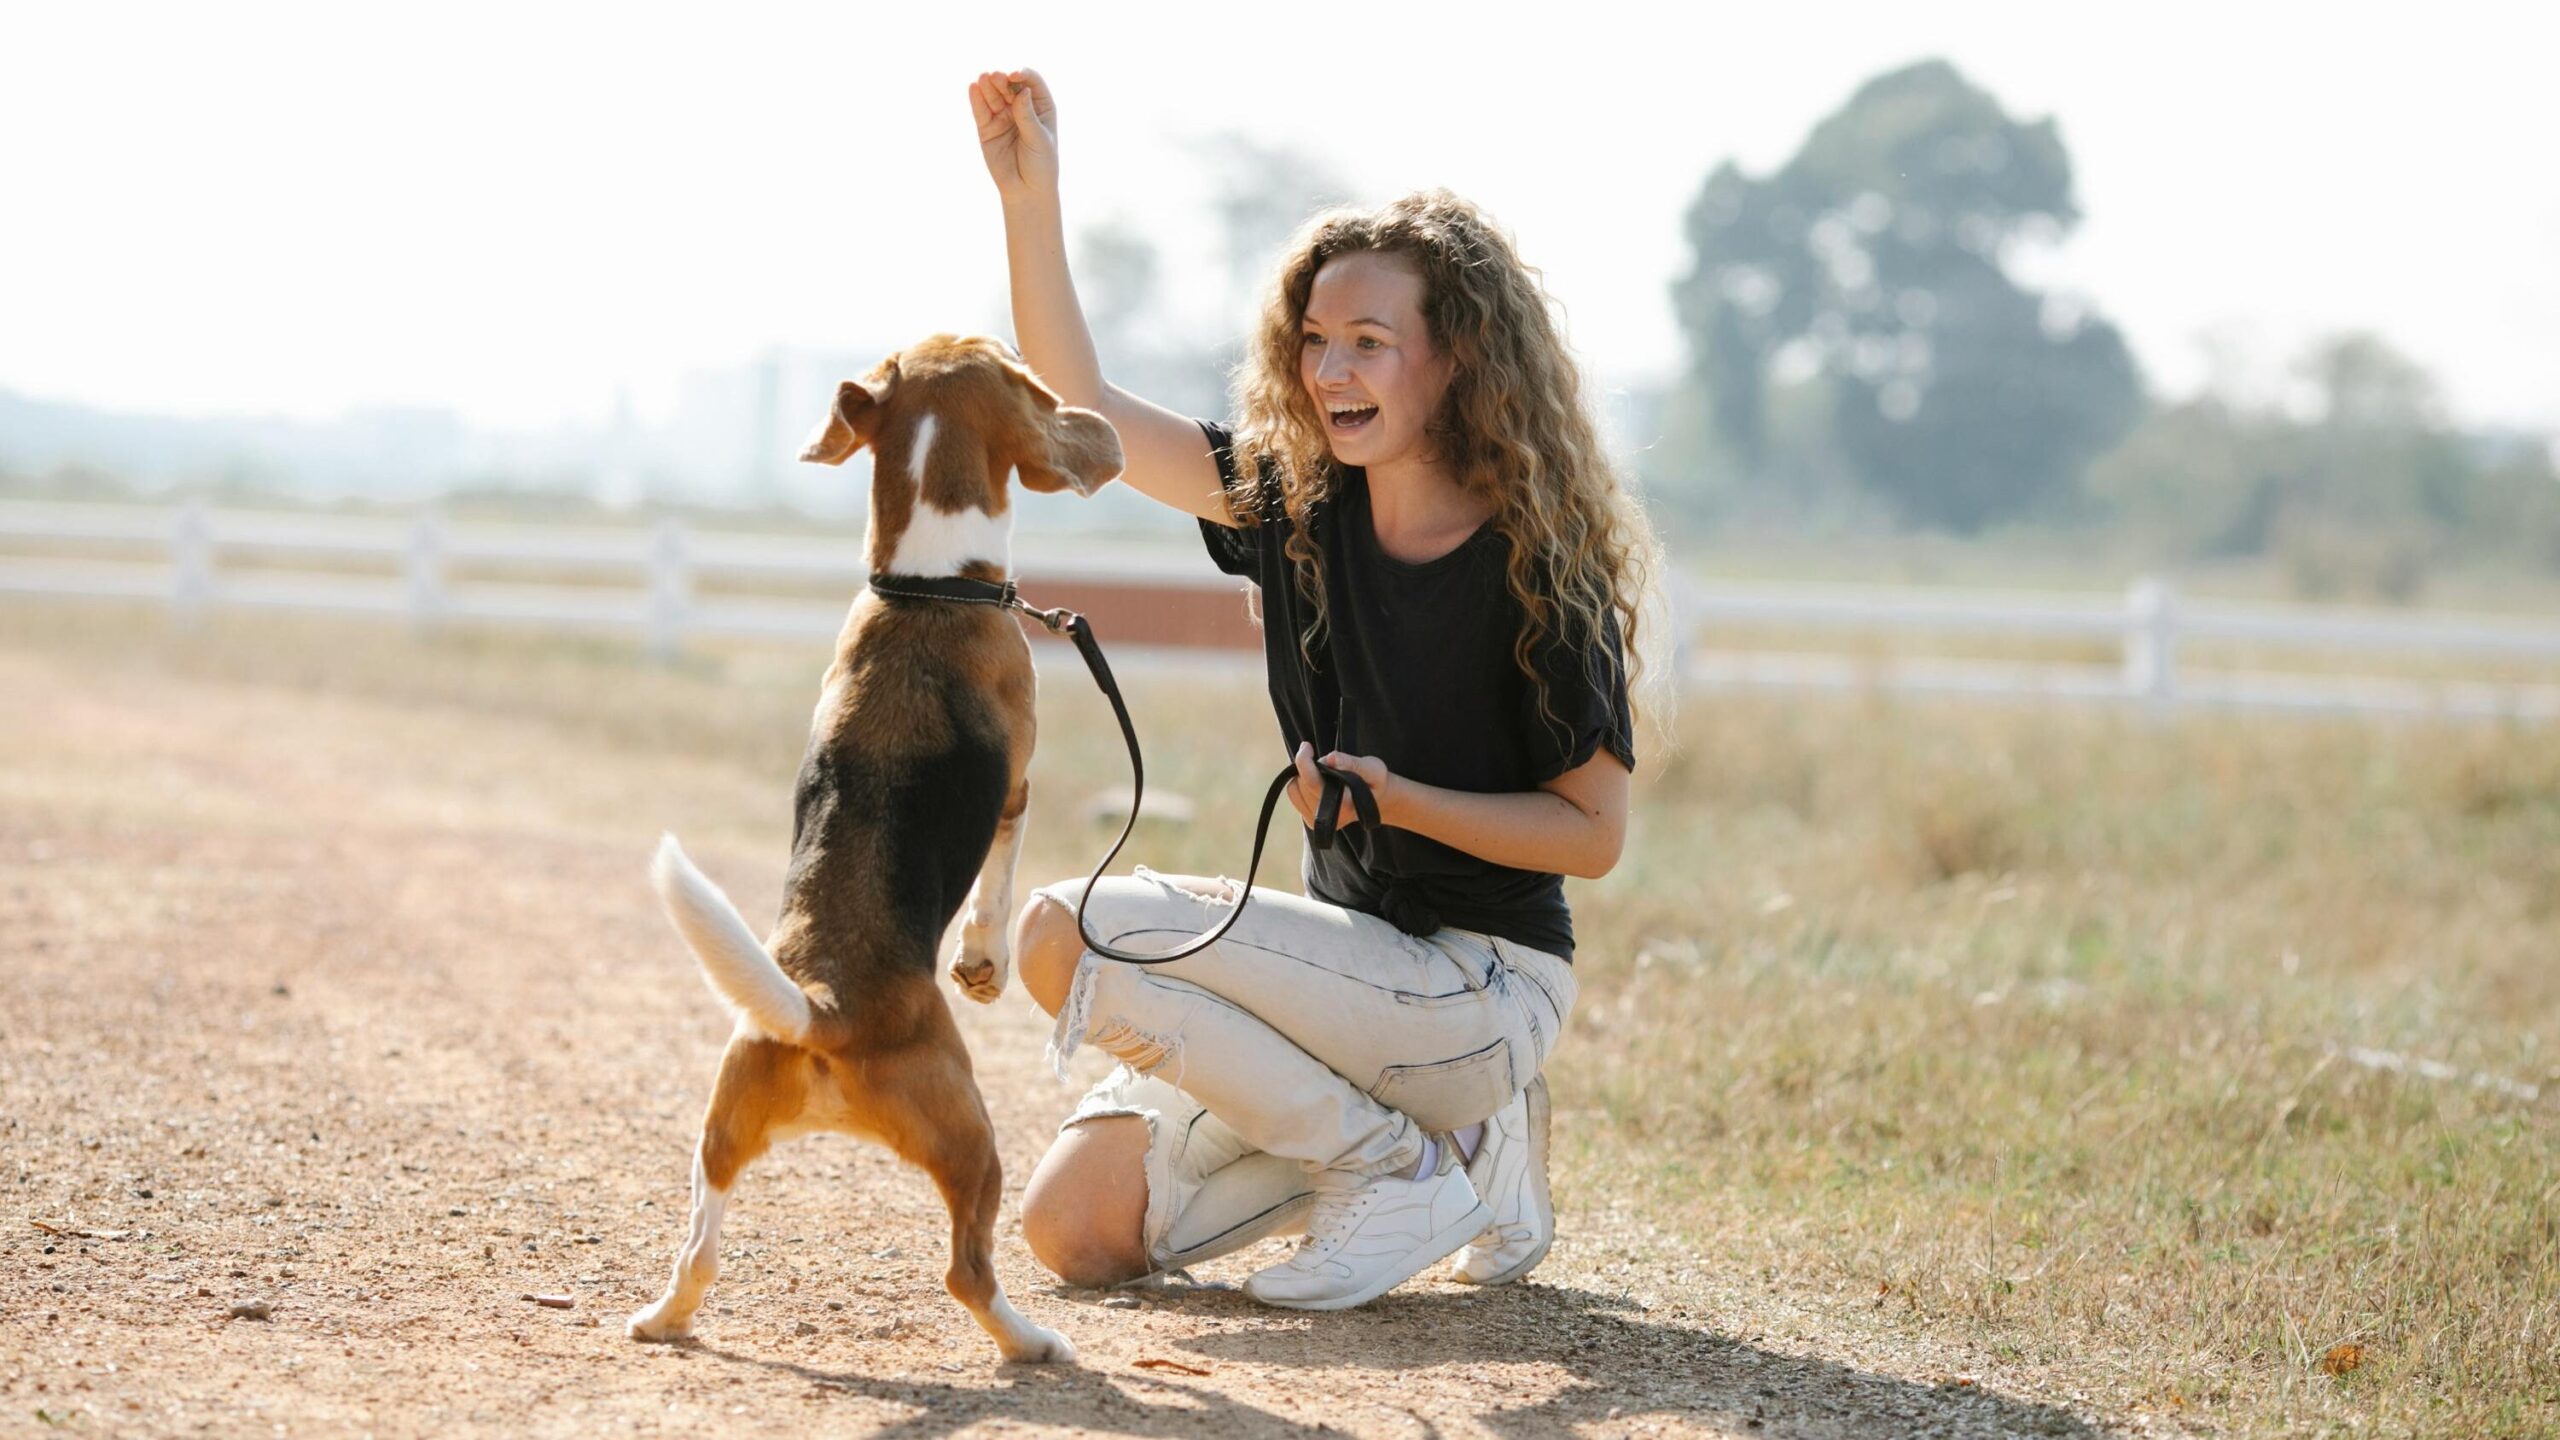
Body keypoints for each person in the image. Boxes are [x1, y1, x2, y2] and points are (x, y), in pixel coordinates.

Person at [968, 67, 1659, 1311]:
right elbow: (1086, 410)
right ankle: (1457, 1155)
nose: (1332, 367)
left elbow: (1593, 837)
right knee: (1075, 1232)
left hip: (1480, 985)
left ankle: (1397, 1162)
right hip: (1346, 986)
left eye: (1370, 342)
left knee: (1062, 929)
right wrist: (1032, 198)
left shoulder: (1538, 568)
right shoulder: (1292, 505)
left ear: (1455, 363)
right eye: (1316, 340)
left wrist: (1401, 800)